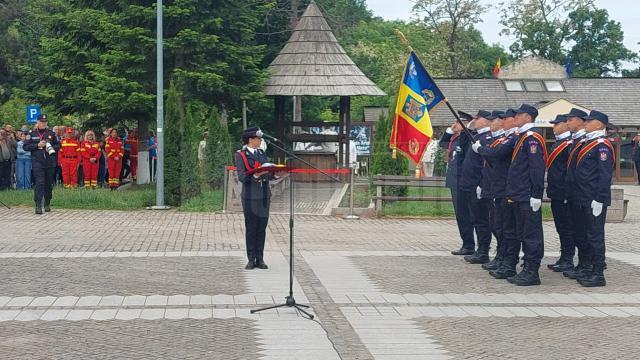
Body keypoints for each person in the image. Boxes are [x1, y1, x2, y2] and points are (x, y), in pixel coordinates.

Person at [499, 104, 547, 286]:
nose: (515, 118)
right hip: (518, 193)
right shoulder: (522, 137)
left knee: (531, 233)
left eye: (519, 115)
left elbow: (536, 168)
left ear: (528, 117)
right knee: (522, 231)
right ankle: (526, 267)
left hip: (527, 194)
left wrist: (536, 193)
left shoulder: (532, 138)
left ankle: (532, 271)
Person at [572, 110, 614, 287]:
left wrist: (599, 197)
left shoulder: (602, 145)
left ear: (599, 124)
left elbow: (604, 175)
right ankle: (588, 267)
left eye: (589, 122)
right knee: (584, 234)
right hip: (582, 197)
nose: (585, 124)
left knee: (595, 236)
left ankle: (598, 273)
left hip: (594, 198)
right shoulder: (587, 142)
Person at [234, 127, 276, 270]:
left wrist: (275, 175)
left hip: (264, 194)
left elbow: (268, 172)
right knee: (251, 227)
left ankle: (260, 258)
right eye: (258, 138)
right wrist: (256, 175)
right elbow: (241, 177)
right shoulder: (241, 155)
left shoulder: (261, 153)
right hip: (250, 195)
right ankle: (251, 258)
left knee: (262, 228)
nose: (260, 141)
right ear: (251, 139)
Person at [459, 110, 494, 264]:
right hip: (469, 183)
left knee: (481, 220)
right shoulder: (476, 136)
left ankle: (483, 251)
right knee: (475, 218)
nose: (475, 120)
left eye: (478, 119)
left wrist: (481, 184)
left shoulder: (486, 138)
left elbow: (484, 164)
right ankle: (481, 250)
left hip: (477, 184)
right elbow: (462, 146)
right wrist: (470, 128)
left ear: (486, 121)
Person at [562, 108, 591, 280]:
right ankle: (582, 264)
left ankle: (589, 265)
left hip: (585, 195)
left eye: (570, 119)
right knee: (578, 231)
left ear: (581, 121)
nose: (568, 123)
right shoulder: (577, 141)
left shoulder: (587, 142)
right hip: (573, 193)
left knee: (587, 233)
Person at [545, 114, 576, 273]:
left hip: (564, 193)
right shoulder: (558, 143)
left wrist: (566, 192)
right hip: (556, 192)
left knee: (566, 227)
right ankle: (564, 256)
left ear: (565, 124)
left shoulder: (569, 144)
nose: (554, 127)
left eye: (557, 124)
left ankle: (568, 258)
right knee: (561, 227)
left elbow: (568, 171)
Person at [440, 111, 472, 256]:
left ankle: (471, 245)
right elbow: (442, 143)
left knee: (467, 215)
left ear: (465, 124)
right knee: (460, 215)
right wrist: (449, 131)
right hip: (454, 181)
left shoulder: (467, 139)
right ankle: (467, 243)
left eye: (458, 122)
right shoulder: (454, 139)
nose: (454, 124)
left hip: (464, 182)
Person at [22, 114, 60, 214]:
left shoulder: (51, 133)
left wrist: (50, 146)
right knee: (39, 183)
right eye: (42, 122)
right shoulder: (32, 133)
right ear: (37, 122)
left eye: (45, 122)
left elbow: (58, 145)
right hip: (37, 162)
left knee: (48, 184)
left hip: (50, 163)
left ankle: (47, 203)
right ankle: (38, 205)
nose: (44, 123)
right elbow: (25, 147)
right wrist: (37, 145)